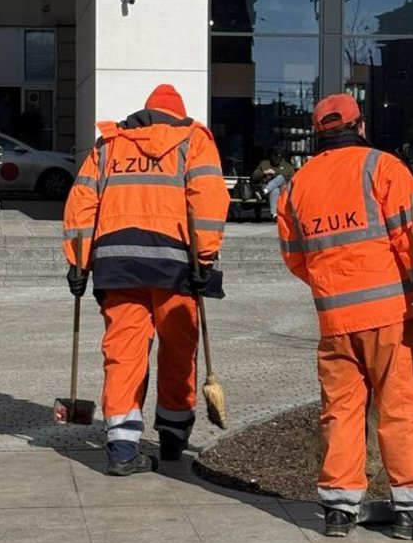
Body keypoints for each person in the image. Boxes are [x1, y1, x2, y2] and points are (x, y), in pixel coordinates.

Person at [277, 93, 413, 540]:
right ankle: (407, 508)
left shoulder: (299, 183)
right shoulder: (383, 168)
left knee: (342, 410)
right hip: (391, 315)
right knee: (400, 409)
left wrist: (332, 285)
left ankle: (338, 508)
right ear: (361, 126)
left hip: (334, 319)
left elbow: (296, 257)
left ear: (319, 135)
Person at [63, 84, 230, 476]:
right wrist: (204, 260)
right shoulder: (193, 141)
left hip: (117, 265)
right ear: (178, 114)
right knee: (177, 350)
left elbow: (82, 203)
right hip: (175, 265)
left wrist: (78, 263)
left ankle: (122, 446)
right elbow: (207, 202)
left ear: (146, 113)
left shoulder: (109, 146)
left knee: (123, 352)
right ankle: (173, 436)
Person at [250, 147, 294, 219]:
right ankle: (274, 214)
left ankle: (263, 192)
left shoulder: (287, 167)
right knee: (274, 189)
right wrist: (263, 173)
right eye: (275, 156)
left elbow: (292, 179)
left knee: (280, 177)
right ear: (272, 155)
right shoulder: (264, 163)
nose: (277, 159)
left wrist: (275, 174)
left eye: (280, 156)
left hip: (282, 190)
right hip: (266, 187)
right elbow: (254, 177)